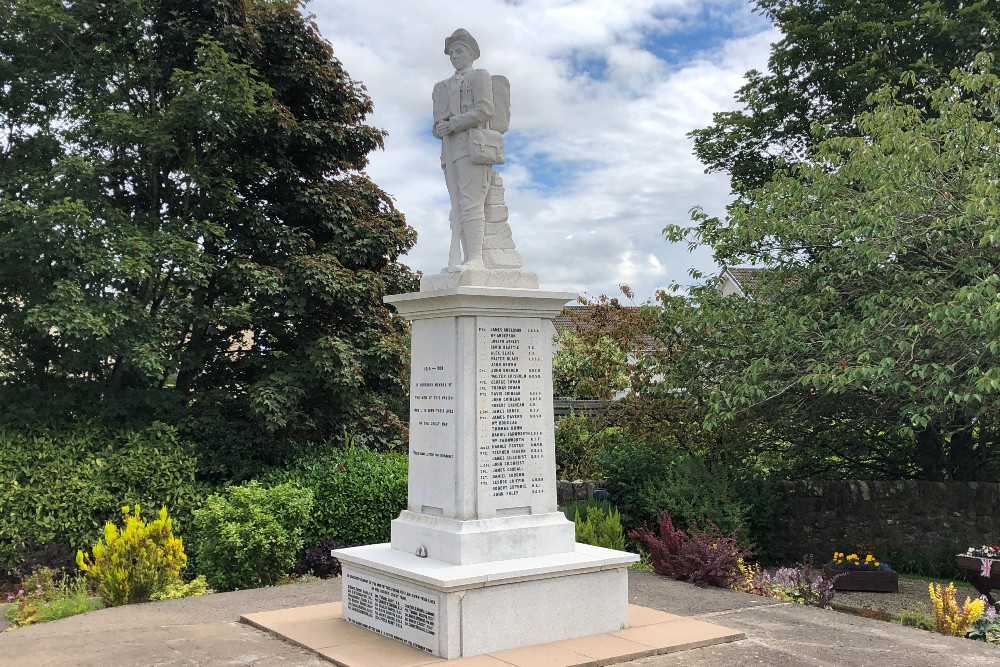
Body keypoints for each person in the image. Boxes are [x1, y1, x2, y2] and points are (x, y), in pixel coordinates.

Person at [432, 29, 498, 271]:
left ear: (471, 53)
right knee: (456, 206)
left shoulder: (479, 76)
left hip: (473, 147)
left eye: (458, 51)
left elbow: (485, 110)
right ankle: (459, 257)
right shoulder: (443, 86)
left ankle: (476, 259)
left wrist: (455, 123)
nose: (454, 56)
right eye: (451, 53)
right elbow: (437, 123)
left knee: (471, 202)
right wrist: (439, 129)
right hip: (449, 151)